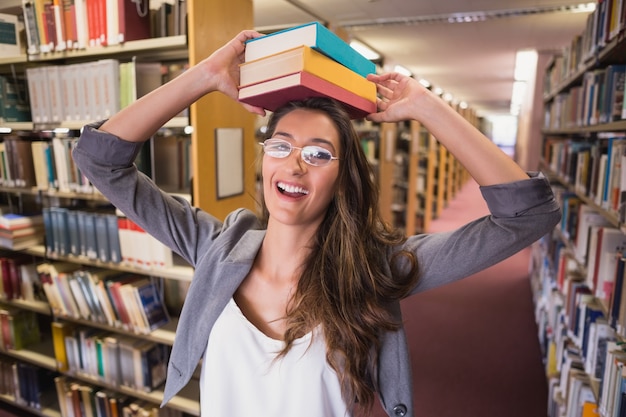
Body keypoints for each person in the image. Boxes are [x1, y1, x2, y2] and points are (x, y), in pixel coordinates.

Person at [72, 30, 561, 417]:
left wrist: (425, 107)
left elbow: (527, 214)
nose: (294, 165)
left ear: (343, 179)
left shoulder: (374, 271)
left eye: (318, 153)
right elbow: (101, 161)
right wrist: (203, 76)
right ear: (265, 162)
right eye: (280, 145)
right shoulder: (215, 247)